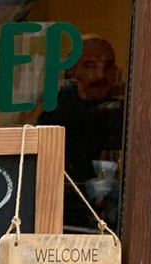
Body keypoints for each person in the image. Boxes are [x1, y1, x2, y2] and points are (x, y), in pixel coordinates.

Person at [38, 35, 125, 231]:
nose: (100, 75)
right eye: (90, 66)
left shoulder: (123, 113)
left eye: (107, 67)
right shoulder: (57, 111)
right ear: (72, 71)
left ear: (115, 72)